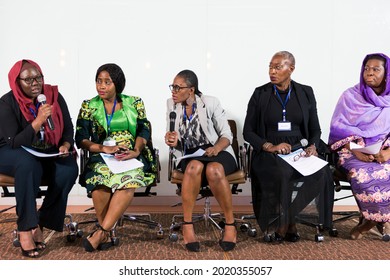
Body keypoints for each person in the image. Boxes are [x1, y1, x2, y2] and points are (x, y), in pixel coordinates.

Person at [243, 51, 334, 242]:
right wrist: (269, 146)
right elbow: (248, 131)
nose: (272, 71)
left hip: (299, 150)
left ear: (291, 69)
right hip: (270, 153)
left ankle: (286, 219)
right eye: (270, 66)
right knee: (282, 173)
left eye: (277, 67)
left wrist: (312, 146)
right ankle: (288, 222)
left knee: (323, 173)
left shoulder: (305, 92)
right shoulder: (260, 93)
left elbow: (315, 128)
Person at [0, 59, 78, 258]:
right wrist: (38, 121)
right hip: (9, 150)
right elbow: (15, 141)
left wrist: (65, 145)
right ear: (17, 82)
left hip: (43, 150)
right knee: (28, 163)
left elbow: (68, 128)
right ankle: (25, 228)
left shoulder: (53, 96)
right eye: (28, 79)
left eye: (38, 77)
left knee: (68, 168)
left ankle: (41, 222)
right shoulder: (6, 103)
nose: (35, 83)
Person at [75, 63, 157, 252]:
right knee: (98, 182)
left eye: (107, 82)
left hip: (130, 153)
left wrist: (136, 151)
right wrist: (104, 148)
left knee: (128, 181)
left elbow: (144, 129)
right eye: (98, 81)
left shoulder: (135, 102)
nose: (101, 86)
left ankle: (101, 232)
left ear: (117, 84)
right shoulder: (89, 105)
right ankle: (105, 233)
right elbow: (81, 138)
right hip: (102, 154)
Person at [165, 69, 238, 252]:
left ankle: (230, 224)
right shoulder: (171, 105)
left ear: (191, 90)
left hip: (217, 151)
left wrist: (216, 148)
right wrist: (173, 140)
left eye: (177, 87)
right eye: (172, 87)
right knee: (193, 167)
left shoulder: (210, 102)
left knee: (214, 169)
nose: (173, 91)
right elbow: (174, 135)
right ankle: (187, 224)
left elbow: (226, 135)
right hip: (190, 154)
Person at [329, 53, 390, 241]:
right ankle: (374, 221)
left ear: (386, 74)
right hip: (353, 149)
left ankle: (371, 222)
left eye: (375, 69)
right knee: (363, 175)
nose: (369, 73)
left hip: (385, 150)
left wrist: (387, 152)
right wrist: (356, 149)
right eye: (366, 68)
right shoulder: (350, 96)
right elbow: (338, 128)